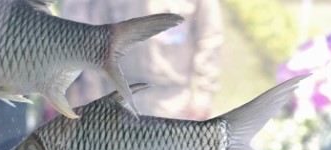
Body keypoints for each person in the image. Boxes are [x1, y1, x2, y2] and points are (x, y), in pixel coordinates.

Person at [62, 0, 223, 120]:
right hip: (121, 97)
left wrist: (203, 96)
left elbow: (210, 39)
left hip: (172, 100)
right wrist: (93, 98)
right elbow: (95, 44)